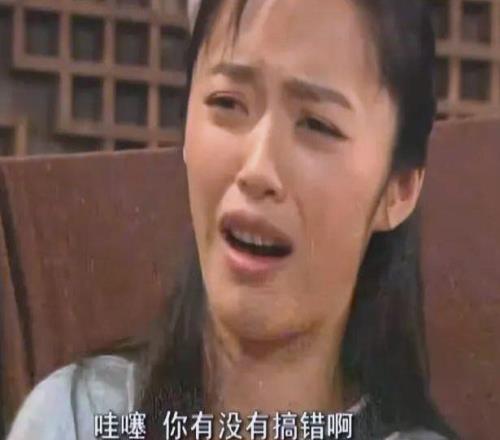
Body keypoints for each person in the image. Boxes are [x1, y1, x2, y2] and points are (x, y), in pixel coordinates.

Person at [7, 0, 458, 439]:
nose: (258, 169)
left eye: (317, 124)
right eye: (227, 102)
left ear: (399, 188)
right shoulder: (76, 420)